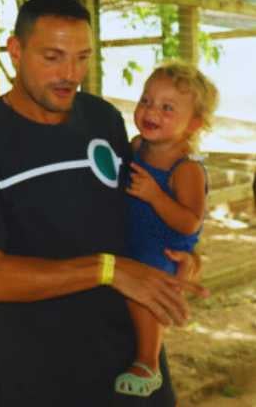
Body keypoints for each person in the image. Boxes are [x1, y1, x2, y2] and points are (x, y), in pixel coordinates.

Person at [0, 0, 204, 407]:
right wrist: (107, 270)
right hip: (41, 374)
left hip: (132, 365)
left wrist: (180, 257)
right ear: (15, 51)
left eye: (82, 57)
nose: (71, 73)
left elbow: (134, 215)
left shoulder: (102, 118)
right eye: (53, 57)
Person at [115, 63, 218, 397]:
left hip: (163, 246)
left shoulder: (186, 168)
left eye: (167, 108)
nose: (150, 111)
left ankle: (148, 361)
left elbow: (190, 221)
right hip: (134, 236)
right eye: (146, 100)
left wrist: (155, 195)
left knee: (146, 285)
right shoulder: (136, 146)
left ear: (194, 125)